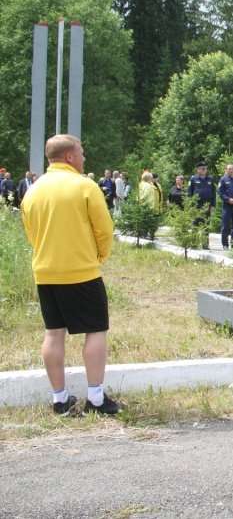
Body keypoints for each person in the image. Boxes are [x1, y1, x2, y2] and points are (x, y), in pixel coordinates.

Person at [20, 134, 119, 416]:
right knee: (96, 330)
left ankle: (60, 400)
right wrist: (99, 257)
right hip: (82, 272)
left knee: (53, 333)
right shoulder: (84, 186)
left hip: (46, 272)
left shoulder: (33, 191)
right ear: (69, 157)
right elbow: (104, 230)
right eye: (81, 152)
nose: (84, 156)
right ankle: (96, 399)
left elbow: (31, 233)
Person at [188, 162, 216, 246]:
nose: (204, 170)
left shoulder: (210, 179)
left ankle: (205, 244)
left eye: (205, 168)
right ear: (198, 170)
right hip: (196, 206)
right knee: (195, 224)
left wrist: (213, 205)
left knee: (206, 225)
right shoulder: (193, 179)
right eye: (202, 168)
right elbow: (189, 193)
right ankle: (194, 243)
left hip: (207, 206)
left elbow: (213, 193)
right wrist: (190, 205)